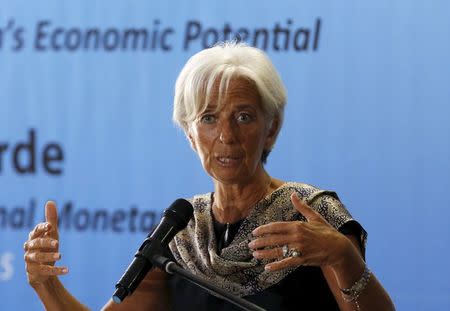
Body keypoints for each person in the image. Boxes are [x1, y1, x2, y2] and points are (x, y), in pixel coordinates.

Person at [24, 42, 395, 311]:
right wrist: (47, 284)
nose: (227, 136)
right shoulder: (182, 233)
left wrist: (344, 258)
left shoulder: (312, 215)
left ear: (271, 129)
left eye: (244, 116)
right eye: (208, 118)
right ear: (189, 134)